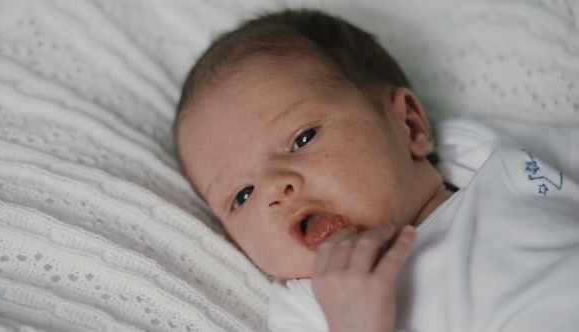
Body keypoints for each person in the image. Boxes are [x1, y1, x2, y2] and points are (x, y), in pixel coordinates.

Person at [173, 9, 579, 332]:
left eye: (302, 138)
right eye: (242, 195)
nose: (273, 189)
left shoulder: (480, 153)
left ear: (410, 127)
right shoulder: (310, 306)